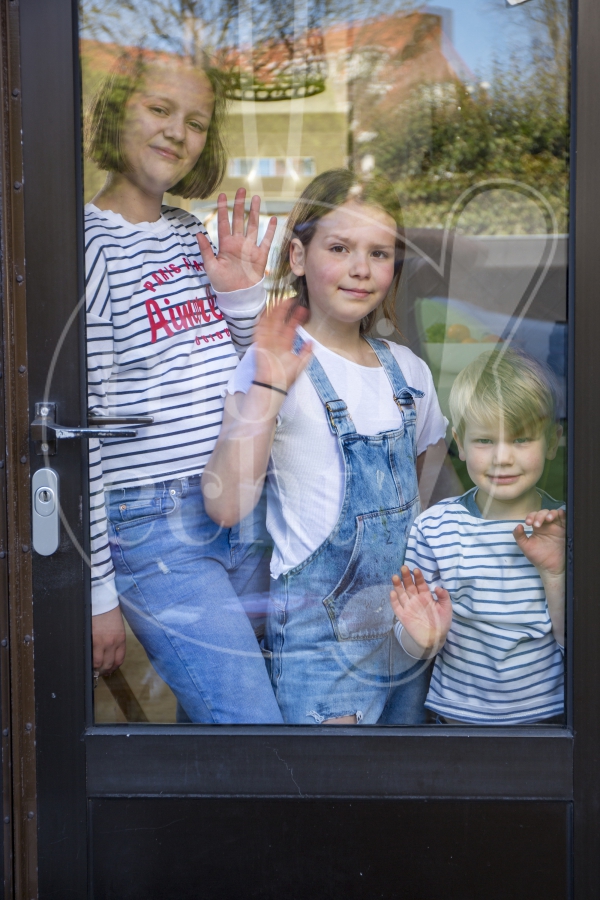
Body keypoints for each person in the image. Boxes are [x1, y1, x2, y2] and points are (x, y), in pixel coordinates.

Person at [202, 168, 448, 724]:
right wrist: (268, 389)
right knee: (335, 781)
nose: (361, 269)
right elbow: (225, 504)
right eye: (339, 248)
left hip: (410, 635)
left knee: (403, 775)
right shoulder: (272, 362)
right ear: (297, 256)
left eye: (379, 254)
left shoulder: (408, 372)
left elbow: (421, 498)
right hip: (321, 653)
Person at [85, 50, 285, 723]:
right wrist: (98, 596)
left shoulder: (188, 234)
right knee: (251, 724)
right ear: (118, 114)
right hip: (155, 528)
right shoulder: (88, 246)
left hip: (238, 503)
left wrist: (242, 296)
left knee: (237, 713)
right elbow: (80, 432)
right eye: (159, 109)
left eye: (196, 122)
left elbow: (247, 368)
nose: (177, 131)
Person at [390, 348, 565, 724]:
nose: (502, 457)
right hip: (457, 726)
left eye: (521, 440)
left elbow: (575, 641)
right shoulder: (434, 529)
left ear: (553, 441)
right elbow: (412, 636)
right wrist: (423, 639)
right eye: (485, 441)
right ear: (460, 442)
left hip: (549, 725)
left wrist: (555, 575)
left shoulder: (564, 527)